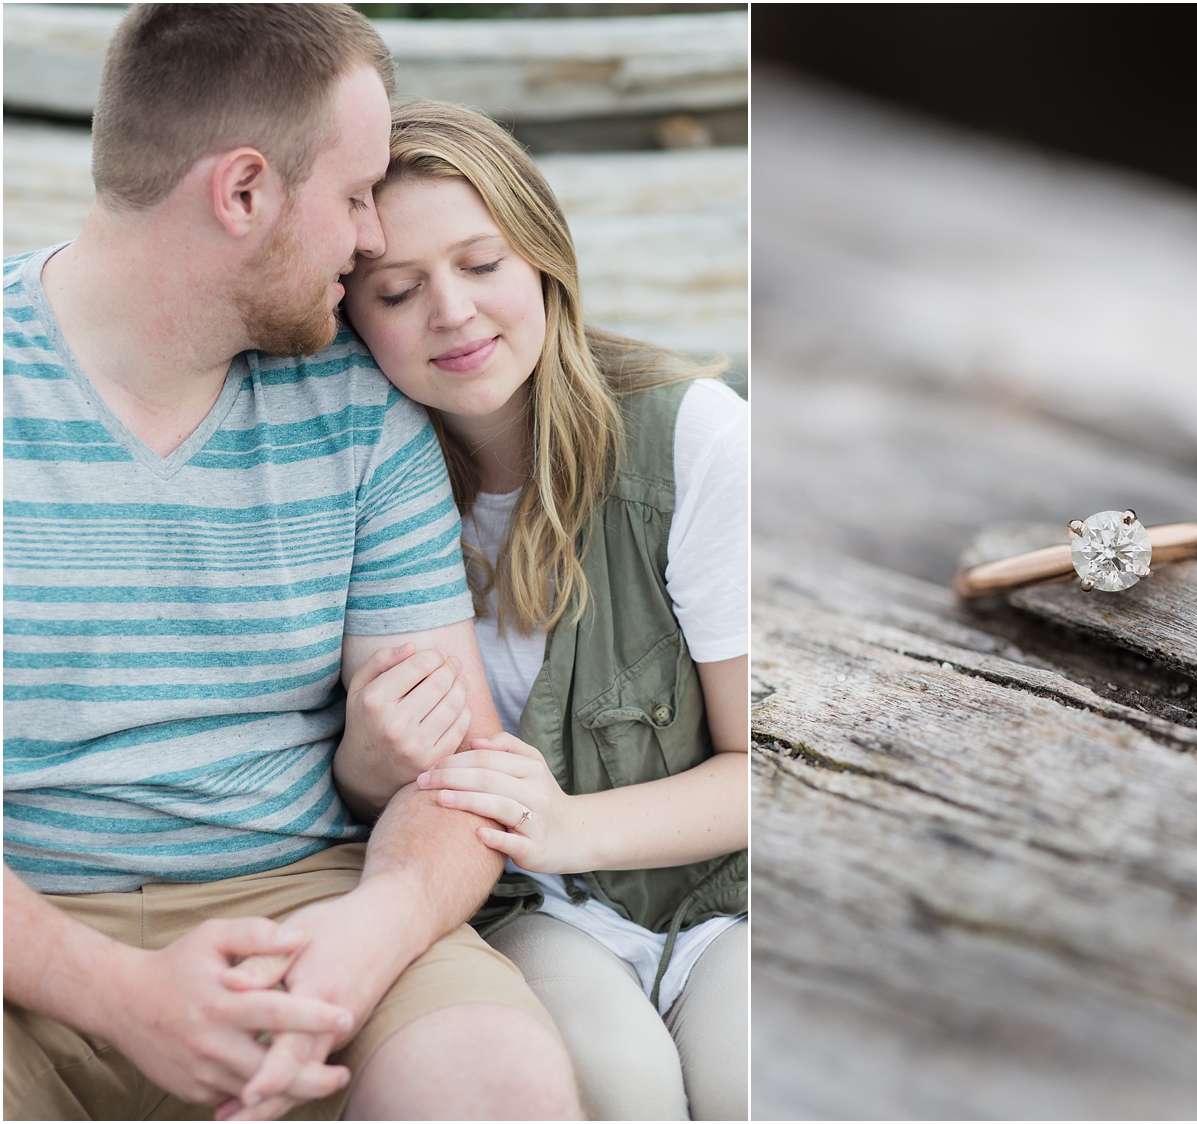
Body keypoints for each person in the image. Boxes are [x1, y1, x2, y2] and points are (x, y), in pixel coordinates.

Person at [2, 7, 580, 1120]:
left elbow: (457, 762)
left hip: (311, 909)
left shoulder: (361, 406)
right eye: (357, 194)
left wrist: (372, 932)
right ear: (245, 192)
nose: (372, 240)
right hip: (25, 932)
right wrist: (122, 994)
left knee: (499, 1086)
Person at [339, 100, 749, 1120]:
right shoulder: (356, 483)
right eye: (398, 289)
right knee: (624, 1084)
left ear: (543, 259)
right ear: (354, 316)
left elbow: (766, 769)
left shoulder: (693, 439)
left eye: (482, 263)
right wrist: (361, 762)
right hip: (519, 909)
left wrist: (570, 824)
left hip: (716, 899)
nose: (453, 312)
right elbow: (358, 806)